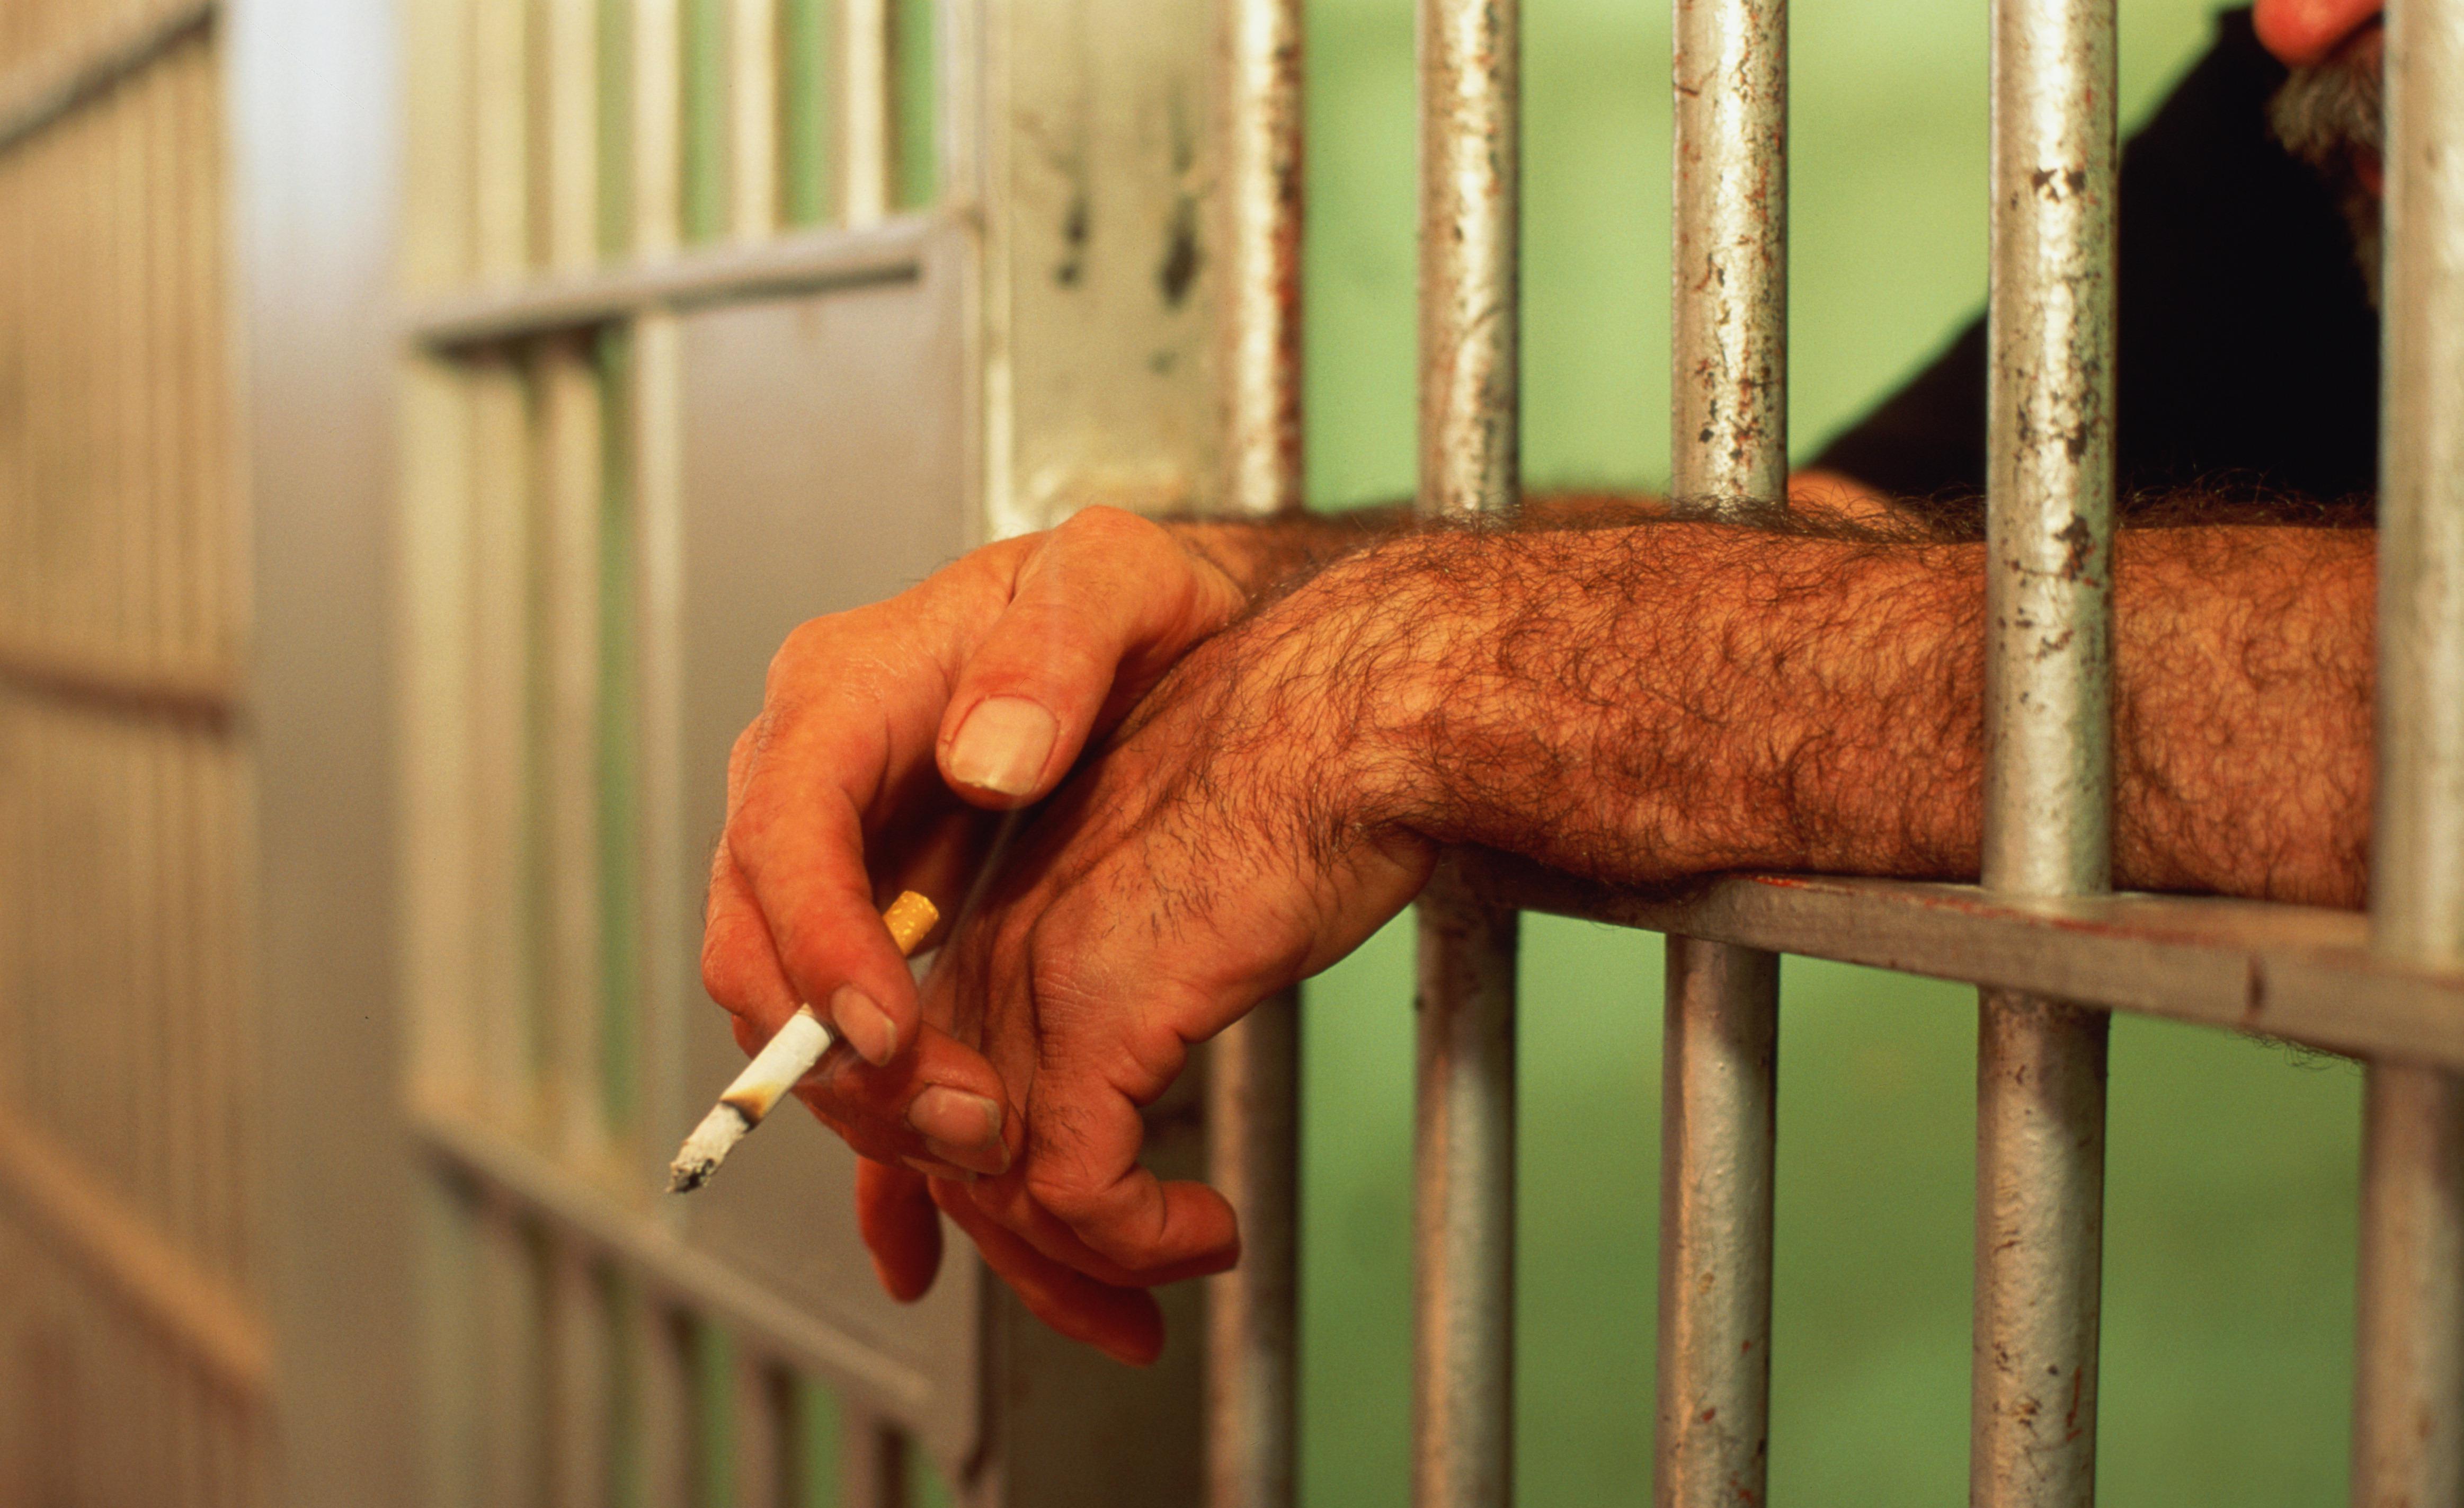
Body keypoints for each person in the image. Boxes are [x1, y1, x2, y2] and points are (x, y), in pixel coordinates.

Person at [700, 0, 2389, 1364]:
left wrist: (1426, 674)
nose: (2295, 21)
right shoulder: (2339, 81)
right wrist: (1221, 607)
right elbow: (1878, 562)